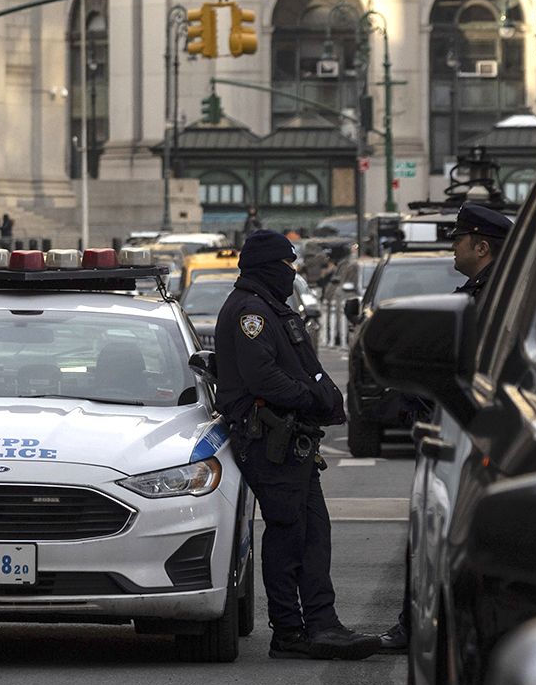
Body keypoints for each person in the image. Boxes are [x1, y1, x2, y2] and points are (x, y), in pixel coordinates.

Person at [215, 230, 380, 661]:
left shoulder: (269, 308)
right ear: (268, 268)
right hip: (270, 440)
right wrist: (313, 398)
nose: (292, 275)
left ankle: (322, 624)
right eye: (287, 267)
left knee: (312, 533)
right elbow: (263, 378)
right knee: (289, 534)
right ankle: (290, 631)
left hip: (291, 442)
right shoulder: (250, 312)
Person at [377, 203, 513, 654]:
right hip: (467, 427)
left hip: (470, 434)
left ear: (481, 245)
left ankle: (422, 626)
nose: (452, 247)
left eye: (459, 239)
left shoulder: (491, 297)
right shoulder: (495, 291)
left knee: (438, 532)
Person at [450, 203, 511, 300]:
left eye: (458, 240)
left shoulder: (490, 292)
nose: (453, 246)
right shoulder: (493, 285)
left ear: (482, 249)